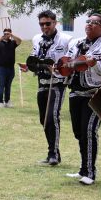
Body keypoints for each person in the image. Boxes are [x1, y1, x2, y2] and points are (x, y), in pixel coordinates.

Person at [64, 14, 101, 184]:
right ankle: (83, 169)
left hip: (96, 94)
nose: (89, 25)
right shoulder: (75, 42)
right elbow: (67, 62)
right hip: (75, 92)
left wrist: (96, 64)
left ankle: (90, 173)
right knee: (79, 132)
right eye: (88, 22)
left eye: (94, 23)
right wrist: (61, 68)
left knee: (89, 131)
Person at [20, 10, 70, 165]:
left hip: (57, 83)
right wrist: (28, 67)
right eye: (41, 24)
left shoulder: (66, 39)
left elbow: (70, 62)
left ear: (55, 22)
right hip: (41, 82)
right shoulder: (36, 39)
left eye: (47, 23)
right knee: (44, 119)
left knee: (51, 117)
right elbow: (35, 57)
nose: (44, 27)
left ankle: (53, 154)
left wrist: (57, 69)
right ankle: (53, 152)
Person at [0, 27, 21, 106]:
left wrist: (12, 35)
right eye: (5, 33)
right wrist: (0, 38)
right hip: (1, 67)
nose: (6, 35)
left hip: (11, 68)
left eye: (8, 33)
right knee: (1, 84)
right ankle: (0, 102)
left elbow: (20, 41)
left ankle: (7, 101)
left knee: (8, 85)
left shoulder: (13, 42)